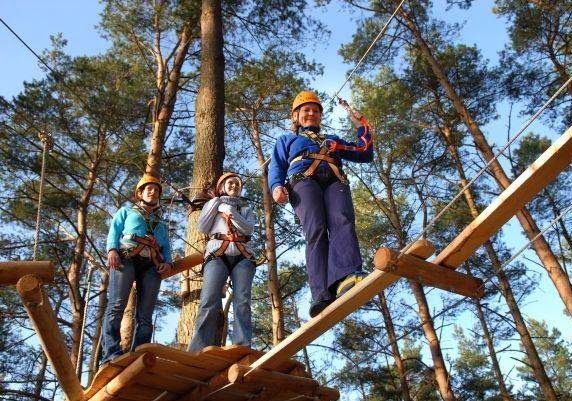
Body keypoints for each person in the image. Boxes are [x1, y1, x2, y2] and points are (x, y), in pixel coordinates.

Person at [268, 90, 373, 318]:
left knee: (342, 221)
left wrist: (361, 124)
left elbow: (364, 152)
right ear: (296, 116)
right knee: (315, 230)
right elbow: (276, 165)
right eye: (306, 110)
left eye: (315, 111)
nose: (311, 114)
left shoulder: (332, 140)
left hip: (335, 180)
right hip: (302, 180)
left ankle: (347, 277)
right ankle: (321, 294)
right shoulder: (287, 140)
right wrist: (276, 186)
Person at [101, 174, 173, 365]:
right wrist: (112, 250)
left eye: (156, 190)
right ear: (140, 193)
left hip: (151, 264)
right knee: (117, 306)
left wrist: (168, 262)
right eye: (149, 189)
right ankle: (111, 353)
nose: (153, 192)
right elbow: (114, 231)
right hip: (125, 258)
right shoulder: (126, 212)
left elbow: (166, 246)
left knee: (145, 314)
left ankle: (139, 354)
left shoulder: (160, 222)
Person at [188, 172, 256, 352]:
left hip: (243, 256)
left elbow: (248, 229)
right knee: (209, 299)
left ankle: (242, 346)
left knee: (242, 301)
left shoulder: (245, 209)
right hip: (217, 254)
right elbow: (203, 226)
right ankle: (199, 348)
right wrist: (216, 203)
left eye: (237, 184)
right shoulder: (213, 204)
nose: (234, 186)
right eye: (230, 183)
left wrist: (231, 212)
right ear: (222, 187)